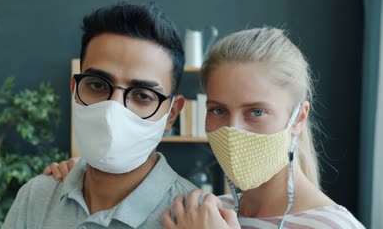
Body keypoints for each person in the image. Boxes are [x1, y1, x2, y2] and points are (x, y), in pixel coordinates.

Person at [47, 27, 364, 228]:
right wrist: (91, 175)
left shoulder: (333, 225)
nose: (233, 130)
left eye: (256, 111)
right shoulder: (198, 212)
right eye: (218, 110)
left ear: (297, 119)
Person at [2, 2, 197, 228]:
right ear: (74, 89)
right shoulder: (36, 197)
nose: (112, 110)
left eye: (143, 96)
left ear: (171, 114)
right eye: (97, 85)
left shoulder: (197, 218)